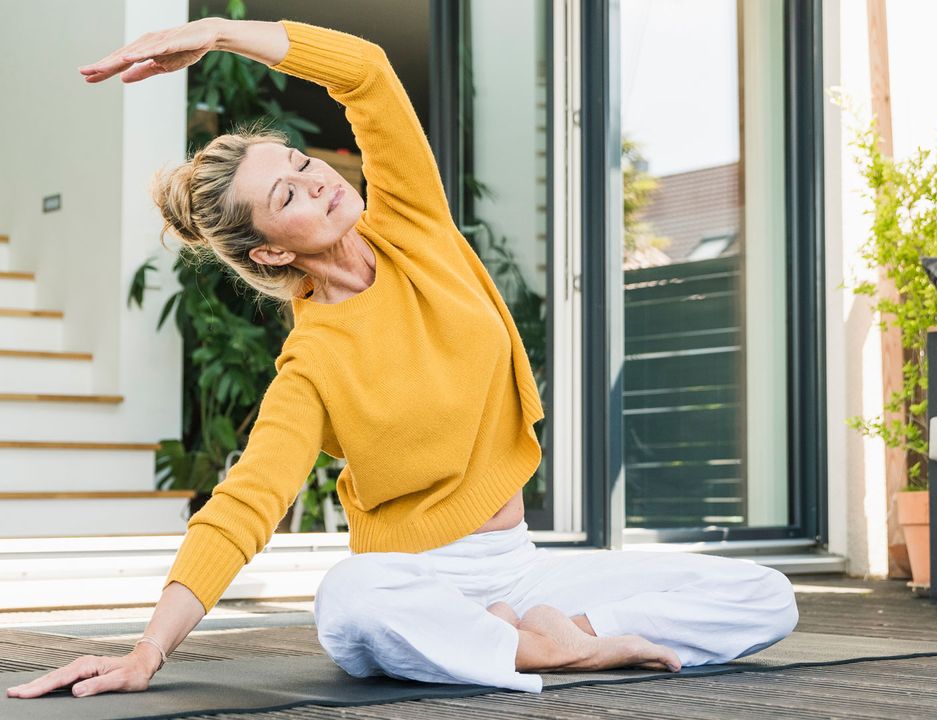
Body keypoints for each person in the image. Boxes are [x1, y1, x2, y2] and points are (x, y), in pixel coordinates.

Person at [4, 16, 798, 700]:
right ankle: (537, 646)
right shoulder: (312, 362)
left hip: (524, 570)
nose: (315, 182)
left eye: (301, 164)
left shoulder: (414, 225)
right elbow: (245, 504)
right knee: (349, 605)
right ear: (272, 255)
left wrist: (215, 36)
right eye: (286, 198)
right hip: (420, 580)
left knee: (765, 596)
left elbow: (370, 77)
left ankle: (559, 635)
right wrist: (149, 650)